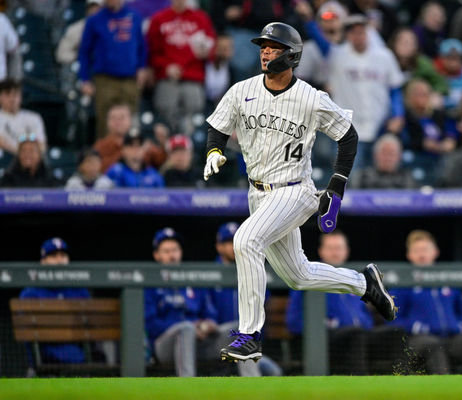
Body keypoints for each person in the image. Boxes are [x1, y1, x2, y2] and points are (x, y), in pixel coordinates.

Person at [203, 22, 397, 363]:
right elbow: (218, 128)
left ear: (291, 55)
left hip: (294, 191)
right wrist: (213, 152)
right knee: (298, 275)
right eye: (263, 45)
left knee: (246, 241)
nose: (265, 51)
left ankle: (249, 335)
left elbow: (348, 136)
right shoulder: (241, 90)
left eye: (273, 46)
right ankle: (364, 284)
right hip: (258, 193)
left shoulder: (310, 97)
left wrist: (336, 184)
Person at [287, 231, 407, 375]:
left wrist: (365, 325)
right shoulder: (308, 278)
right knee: (355, 334)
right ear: (321, 251)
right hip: (326, 340)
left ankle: (400, 382)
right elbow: (293, 321)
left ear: (346, 251)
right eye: (330, 248)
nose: (335, 252)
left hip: (360, 335)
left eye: (338, 248)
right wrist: (326, 326)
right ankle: (361, 387)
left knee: (395, 332)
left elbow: (365, 316)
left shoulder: (354, 278)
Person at [389, 230, 462, 374]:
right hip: (417, 341)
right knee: (434, 345)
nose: (421, 255)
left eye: (425, 250)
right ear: (409, 255)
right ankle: (446, 391)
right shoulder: (402, 282)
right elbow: (392, 318)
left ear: (435, 252)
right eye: (416, 251)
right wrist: (415, 326)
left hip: (450, 338)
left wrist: (461, 323)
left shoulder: (447, 279)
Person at [325, 14, 405, 168]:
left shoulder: (384, 56)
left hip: (381, 126)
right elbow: (322, 43)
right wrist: (308, 20)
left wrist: (398, 114)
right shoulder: (337, 56)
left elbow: (395, 88)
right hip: (349, 130)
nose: (358, 35)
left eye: (361, 31)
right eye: (353, 32)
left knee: (382, 177)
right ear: (348, 35)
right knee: (350, 179)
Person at [144, 228, 223, 377]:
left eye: (175, 250)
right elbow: (150, 325)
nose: (172, 255)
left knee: (237, 329)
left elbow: (211, 315)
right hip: (164, 346)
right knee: (186, 328)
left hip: (199, 342)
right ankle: (188, 385)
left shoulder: (192, 280)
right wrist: (190, 328)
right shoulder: (150, 284)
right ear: (157, 255)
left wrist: (206, 326)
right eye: (166, 251)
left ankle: (252, 385)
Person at [208, 222, 283, 376]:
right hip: (217, 339)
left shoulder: (253, 270)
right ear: (219, 247)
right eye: (229, 242)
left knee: (274, 372)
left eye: (236, 240)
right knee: (244, 330)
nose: (234, 246)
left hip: (248, 345)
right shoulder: (210, 274)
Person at [78, 0, 147, 138]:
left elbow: (142, 46)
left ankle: (131, 155)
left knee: (131, 122)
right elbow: (84, 51)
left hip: (130, 79)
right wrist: (84, 78)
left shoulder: (135, 16)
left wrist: (142, 67)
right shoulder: (94, 20)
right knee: (106, 122)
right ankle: (105, 157)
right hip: (105, 79)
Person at [147, 0, 216, 135]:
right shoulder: (159, 19)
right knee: (166, 122)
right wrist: (166, 67)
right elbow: (151, 52)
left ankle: (192, 153)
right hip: (167, 79)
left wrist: (206, 52)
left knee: (194, 122)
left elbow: (211, 49)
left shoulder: (200, 18)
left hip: (193, 78)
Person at [19, 239, 91, 365]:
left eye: (63, 256)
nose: (60, 260)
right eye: (53, 256)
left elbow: (90, 326)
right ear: (43, 261)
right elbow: (27, 331)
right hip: (44, 351)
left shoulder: (79, 290)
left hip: (76, 350)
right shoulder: (31, 292)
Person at [403, 78, 455, 155]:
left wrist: (450, 138)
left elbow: (451, 126)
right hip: (417, 155)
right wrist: (422, 143)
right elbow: (405, 140)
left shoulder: (438, 114)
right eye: (418, 93)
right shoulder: (405, 117)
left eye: (425, 93)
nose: (422, 97)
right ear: (409, 96)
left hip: (440, 156)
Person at [350, 134, 417, 189]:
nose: (388, 158)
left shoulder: (407, 179)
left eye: (392, 154)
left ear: (399, 157)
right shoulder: (361, 177)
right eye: (384, 153)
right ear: (375, 155)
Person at [0, 79, 46, 154]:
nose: (12, 99)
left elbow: (42, 145)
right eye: (7, 94)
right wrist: (23, 155)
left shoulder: (34, 117)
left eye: (15, 95)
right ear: (0, 97)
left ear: (20, 97)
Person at [433, 38, 462, 111]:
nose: (453, 61)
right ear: (441, 58)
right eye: (449, 57)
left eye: (457, 57)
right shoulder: (435, 77)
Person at [55, 0, 103, 65]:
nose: (94, 12)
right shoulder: (75, 29)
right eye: (91, 8)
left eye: (97, 9)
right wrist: (79, 56)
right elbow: (61, 54)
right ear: (87, 10)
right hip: (83, 67)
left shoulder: (112, 27)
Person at [93, 104, 133, 172]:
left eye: (122, 118)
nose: (117, 122)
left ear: (130, 120)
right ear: (107, 122)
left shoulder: (138, 142)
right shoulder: (100, 145)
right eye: (113, 118)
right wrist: (123, 154)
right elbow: (95, 168)